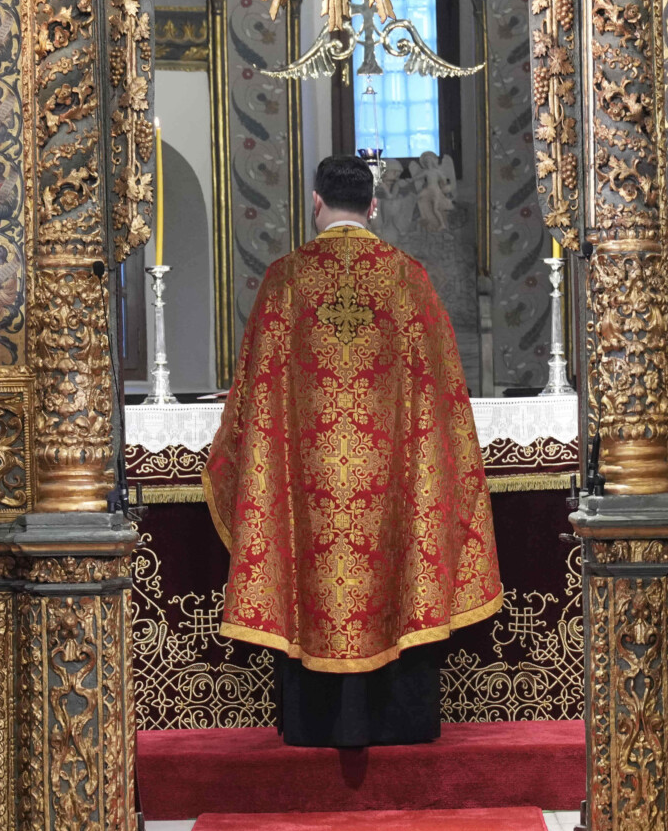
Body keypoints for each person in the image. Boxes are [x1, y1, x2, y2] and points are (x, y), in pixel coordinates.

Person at [207, 156, 500, 747]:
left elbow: (253, 406)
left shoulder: (284, 281)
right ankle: (401, 718)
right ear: (374, 205)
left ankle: (312, 720)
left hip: (309, 494)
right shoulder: (408, 279)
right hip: (391, 491)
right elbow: (444, 396)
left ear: (316, 202)